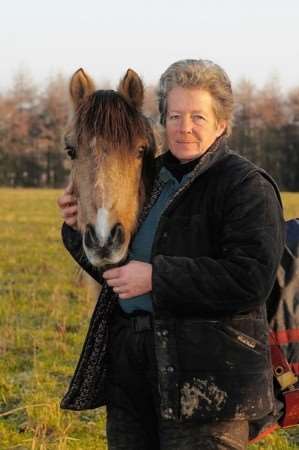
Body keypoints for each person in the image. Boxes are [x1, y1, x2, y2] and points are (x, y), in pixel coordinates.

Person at [58, 59, 285, 450]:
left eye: (198, 116)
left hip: (208, 380)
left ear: (222, 123)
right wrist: (76, 228)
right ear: (161, 120)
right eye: (175, 115)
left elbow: (250, 279)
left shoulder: (244, 185)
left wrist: (155, 277)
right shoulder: (150, 178)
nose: (184, 127)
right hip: (133, 374)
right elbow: (115, 273)